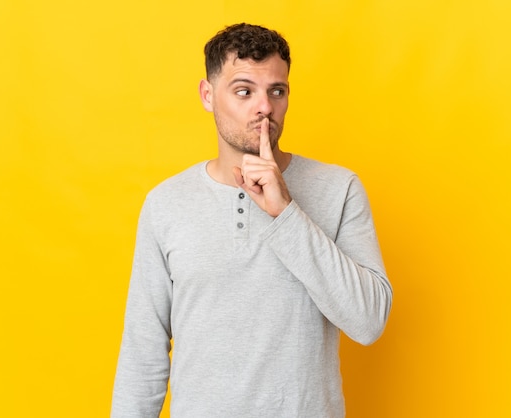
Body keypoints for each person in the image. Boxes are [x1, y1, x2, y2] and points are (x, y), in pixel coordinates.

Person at [111, 23, 392, 418]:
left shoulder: (338, 189)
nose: (264, 107)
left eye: (276, 91)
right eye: (244, 91)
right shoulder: (166, 204)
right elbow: (143, 352)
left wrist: (287, 213)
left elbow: (369, 321)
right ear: (208, 96)